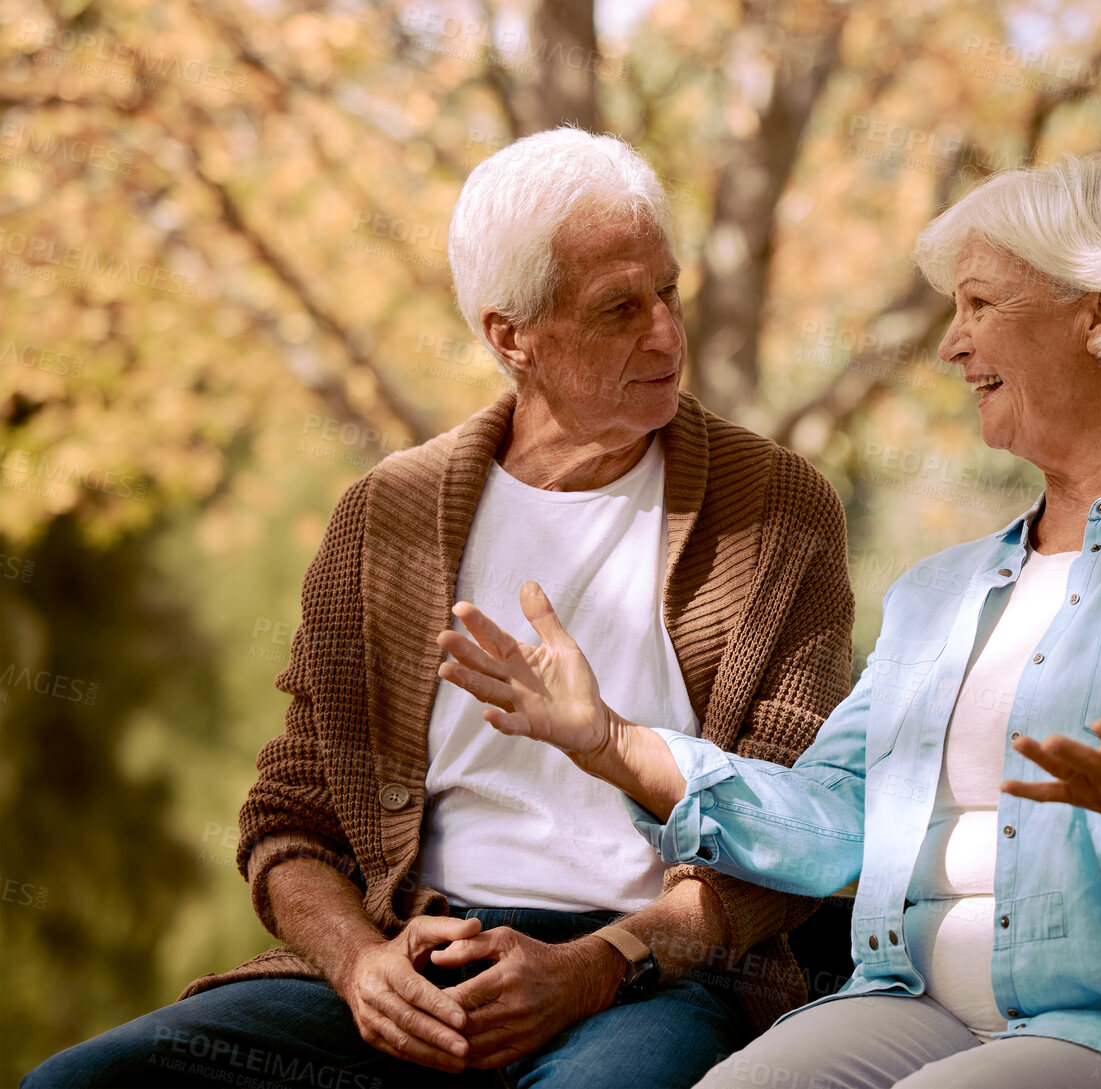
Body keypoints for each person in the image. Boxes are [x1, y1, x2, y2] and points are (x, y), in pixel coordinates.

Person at [437, 152, 1101, 1089]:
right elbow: (836, 822)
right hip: (918, 1000)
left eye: (981, 305)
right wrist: (609, 740)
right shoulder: (941, 592)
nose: (952, 345)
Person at [25, 128, 855, 1089]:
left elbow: (791, 829)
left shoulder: (777, 507)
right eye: (619, 309)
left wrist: (597, 963)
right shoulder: (389, 514)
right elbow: (289, 821)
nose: (666, 333)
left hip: (651, 976)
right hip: (414, 950)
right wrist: (359, 963)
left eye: (667, 292)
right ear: (511, 336)